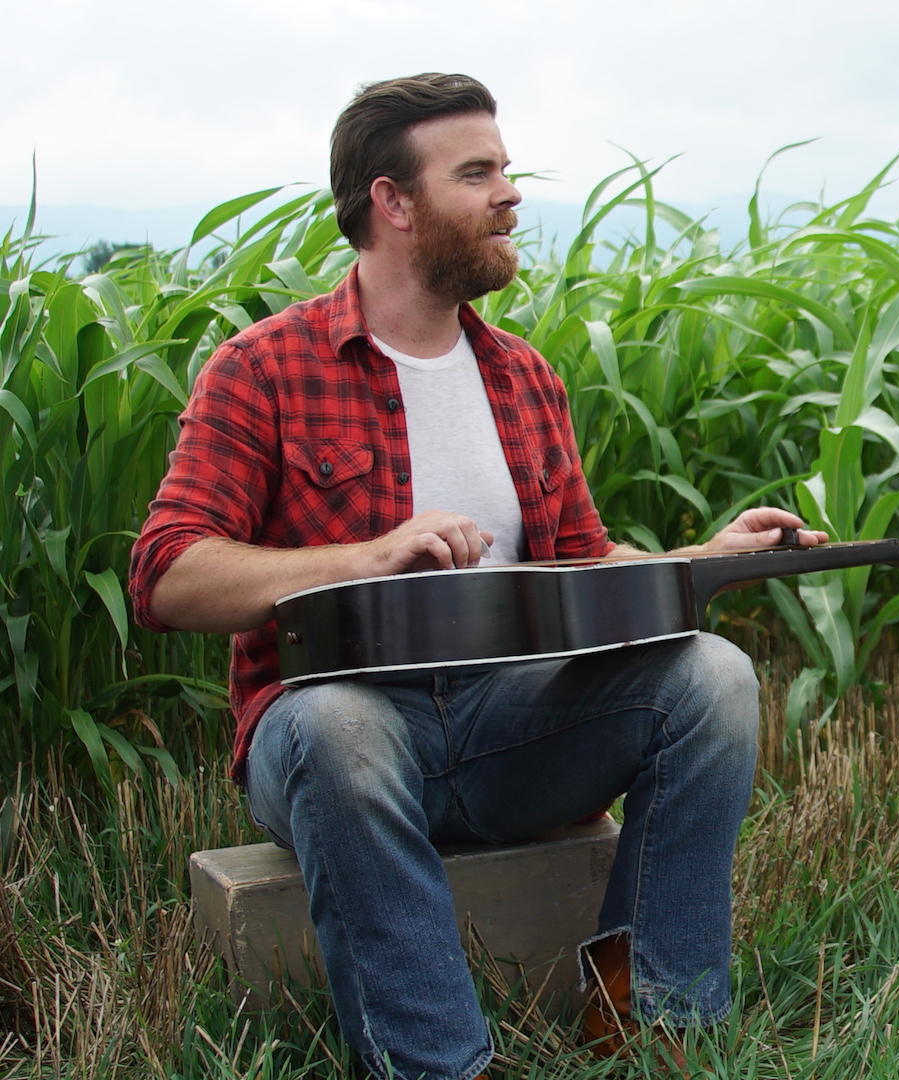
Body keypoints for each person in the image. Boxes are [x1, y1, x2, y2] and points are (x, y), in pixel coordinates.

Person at [128, 73, 820, 1080]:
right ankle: (440, 1064)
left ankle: (655, 1026)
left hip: (507, 729)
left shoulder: (521, 376)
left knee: (708, 676)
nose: (510, 194)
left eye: (505, 169)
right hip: (335, 730)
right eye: (477, 173)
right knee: (336, 727)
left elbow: (581, 563)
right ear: (392, 203)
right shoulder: (264, 369)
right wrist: (364, 560)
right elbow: (165, 576)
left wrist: (704, 557)